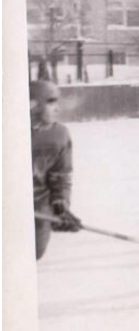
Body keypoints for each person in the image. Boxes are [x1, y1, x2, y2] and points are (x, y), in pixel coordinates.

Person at [31, 80, 81, 260]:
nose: (57, 108)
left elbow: (60, 176)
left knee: (34, 252)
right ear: (32, 104)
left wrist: (60, 207)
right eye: (51, 102)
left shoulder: (59, 135)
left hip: (39, 207)